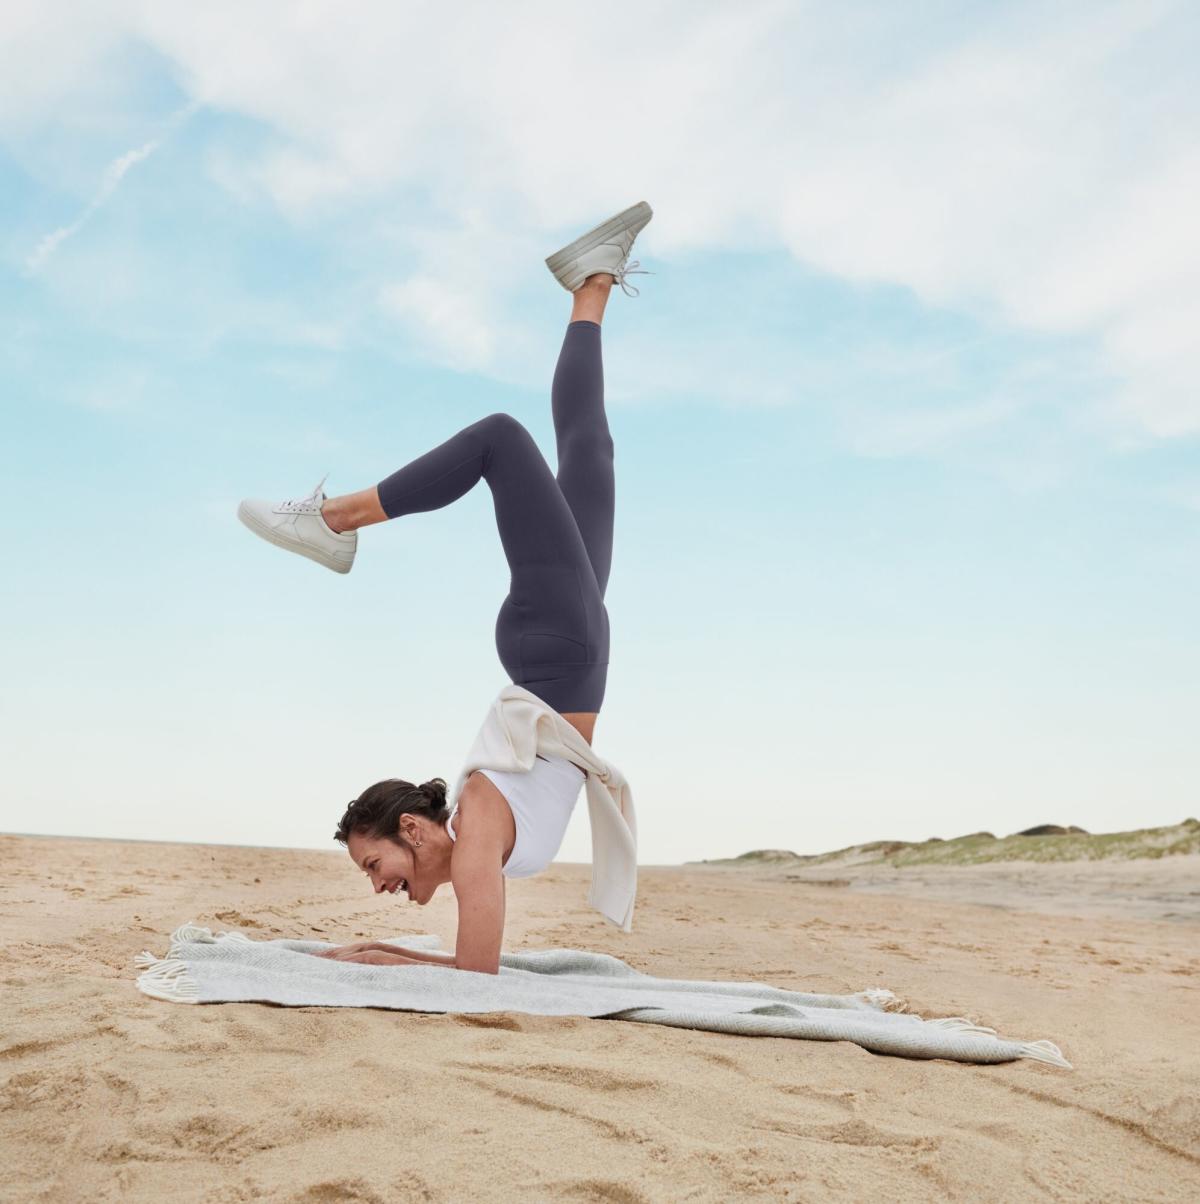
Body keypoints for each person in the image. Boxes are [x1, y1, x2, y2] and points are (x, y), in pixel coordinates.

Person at [237, 202, 652, 973]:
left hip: (560, 650)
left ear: (415, 832)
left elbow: (472, 985)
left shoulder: (473, 843)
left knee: (501, 438)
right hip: (565, 650)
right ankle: (591, 281)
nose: (377, 888)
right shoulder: (474, 842)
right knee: (589, 454)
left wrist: (378, 953)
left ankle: (333, 518)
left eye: (373, 865)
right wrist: (377, 948)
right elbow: (480, 979)